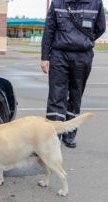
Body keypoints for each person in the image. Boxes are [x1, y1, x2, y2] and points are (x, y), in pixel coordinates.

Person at [41, 0, 106, 148]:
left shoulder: (95, 3)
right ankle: (53, 136)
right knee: (56, 97)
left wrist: (84, 40)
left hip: (83, 57)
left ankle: (70, 134)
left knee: (76, 96)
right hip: (59, 56)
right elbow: (49, 30)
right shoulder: (57, 3)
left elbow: (100, 27)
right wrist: (45, 57)